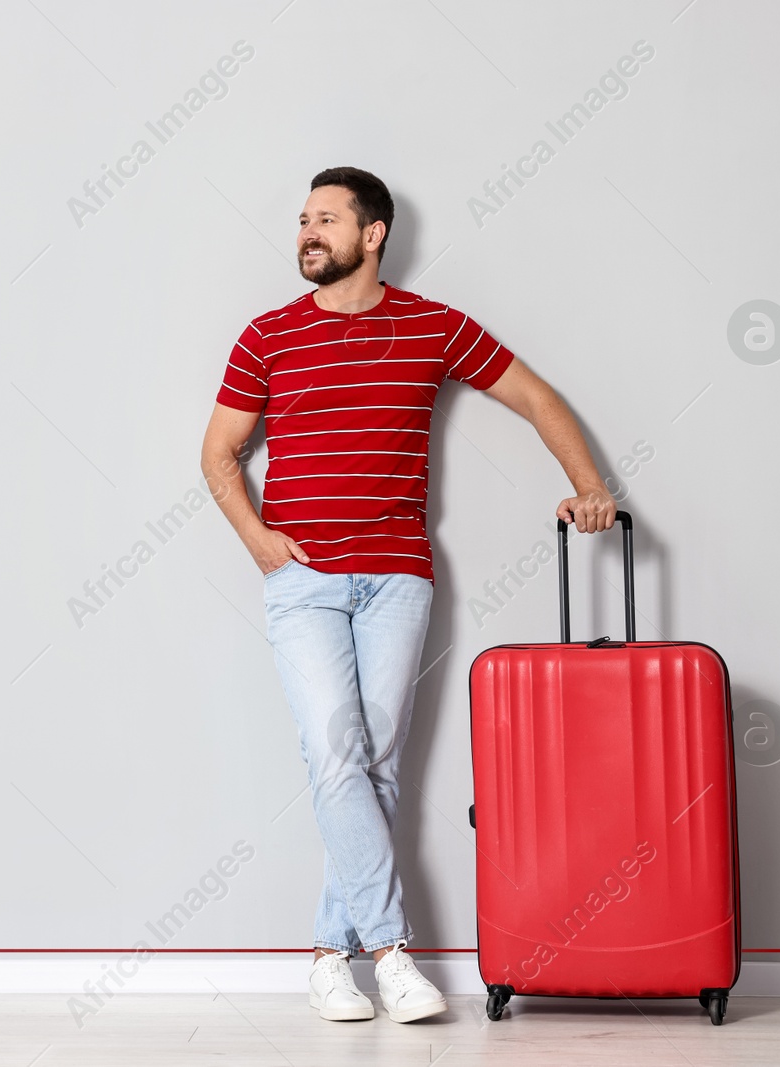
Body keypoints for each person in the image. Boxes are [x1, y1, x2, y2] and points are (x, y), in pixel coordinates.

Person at [200, 166, 618, 1023]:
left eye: (325, 219)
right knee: (334, 751)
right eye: (303, 220)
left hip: (399, 579)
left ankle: (327, 955)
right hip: (304, 581)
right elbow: (218, 454)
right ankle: (392, 950)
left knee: (375, 764)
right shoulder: (267, 336)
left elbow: (537, 397)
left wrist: (589, 487)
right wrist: (259, 543)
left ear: (373, 232)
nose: (307, 233)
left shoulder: (434, 327)